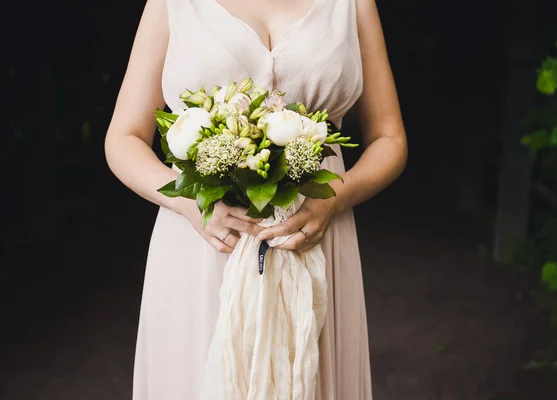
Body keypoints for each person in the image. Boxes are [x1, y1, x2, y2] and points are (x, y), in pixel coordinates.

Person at [104, 0, 407, 398]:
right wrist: (190, 205)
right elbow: (123, 138)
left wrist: (335, 196)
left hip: (317, 236)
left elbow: (390, 138)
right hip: (203, 246)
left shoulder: (351, 4)